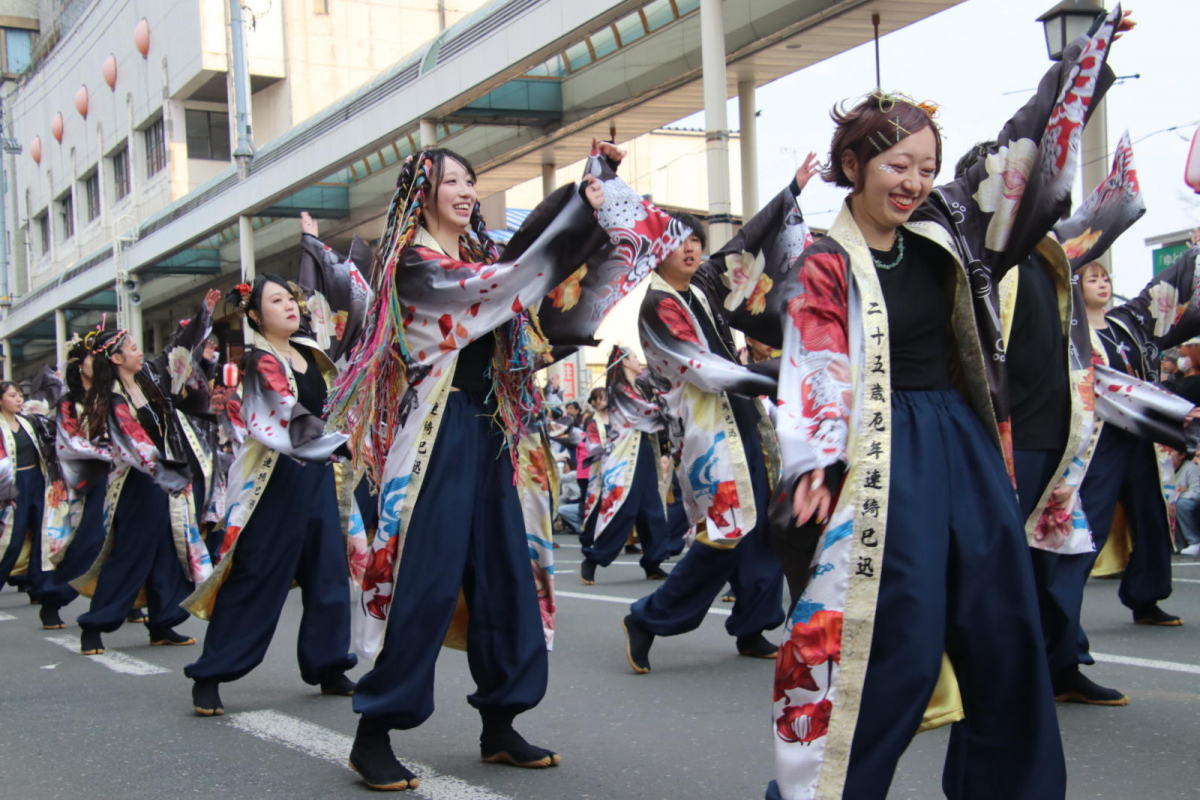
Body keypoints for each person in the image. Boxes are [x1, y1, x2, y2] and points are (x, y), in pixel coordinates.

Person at [768, 11, 1129, 798]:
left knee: (1005, 633)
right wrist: (817, 490)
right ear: (854, 165)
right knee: (893, 646)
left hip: (961, 446)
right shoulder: (823, 264)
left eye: (926, 167)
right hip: (878, 459)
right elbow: (815, 386)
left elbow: (1019, 149)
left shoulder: (948, 227)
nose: (914, 182)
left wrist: (1081, 66)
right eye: (898, 165)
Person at [324, 143, 684, 791]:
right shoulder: (413, 264)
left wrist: (593, 185)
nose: (466, 191)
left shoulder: (481, 258)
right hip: (438, 433)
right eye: (451, 181)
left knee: (506, 578)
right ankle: (372, 731)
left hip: (498, 431)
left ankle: (500, 723)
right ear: (420, 192)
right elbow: (505, 285)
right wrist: (579, 206)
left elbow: (523, 286)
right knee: (423, 581)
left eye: (471, 181)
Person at [623, 153, 817, 670]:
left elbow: (744, 245)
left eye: (694, 242)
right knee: (726, 531)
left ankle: (754, 624)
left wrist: (789, 195)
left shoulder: (703, 288)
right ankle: (648, 616)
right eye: (678, 241)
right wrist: (777, 373)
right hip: (707, 432)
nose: (690, 250)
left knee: (762, 529)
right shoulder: (657, 307)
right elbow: (704, 369)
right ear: (656, 251)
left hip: (746, 419)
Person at [182, 212, 371, 716]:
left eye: (291, 299)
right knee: (256, 578)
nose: (290, 306)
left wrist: (313, 244)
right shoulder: (258, 361)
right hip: (276, 481)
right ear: (255, 316)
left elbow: (343, 311)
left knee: (329, 576)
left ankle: (330, 663)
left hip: (323, 478)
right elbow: (285, 419)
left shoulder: (313, 351)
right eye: (277, 301)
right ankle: (211, 673)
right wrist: (336, 443)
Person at [70, 290, 221, 655]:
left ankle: (163, 623)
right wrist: (167, 473)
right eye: (133, 348)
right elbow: (133, 443)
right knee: (133, 553)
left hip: (165, 477)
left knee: (170, 550)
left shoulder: (151, 379)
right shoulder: (112, 399)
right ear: (117, 358)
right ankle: (95, 626)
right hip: (140, 482)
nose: (139, 351)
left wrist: (203, 314)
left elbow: (178, 353)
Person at [1077, 258, 1191, 626]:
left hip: (1140, 438)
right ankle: (1058, 604)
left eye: (1105, 277)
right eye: (1091, 278)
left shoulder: (1127, 324)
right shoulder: (1069, 330)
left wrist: (1193, 254)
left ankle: (1146, 598)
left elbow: (1161, 291)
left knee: (1152, 515)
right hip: (1099, 438)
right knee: (1089, 518)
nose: (1101, 283)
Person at [37, 338, 116, 630]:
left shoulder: (113, 394)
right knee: (90, 542)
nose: (98, 364)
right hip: (90, 477)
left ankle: (130, 600)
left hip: (122, 472)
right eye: (93, 359)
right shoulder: (69, 402)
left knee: (130, 538)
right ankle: (53, 596)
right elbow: (70, 443)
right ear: (79, 365)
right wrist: (111, 451)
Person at [579, 346, 670, 583]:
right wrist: (673, 408)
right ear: (624, 362)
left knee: (652, 509)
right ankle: (593, 557)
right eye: (634, 357)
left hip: (643, 451)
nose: (638, 360)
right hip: (624, 457)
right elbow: (647, 413)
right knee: (624, 509)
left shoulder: (638, 386)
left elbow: (662, 383)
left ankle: (653, 562)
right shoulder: (618, 389)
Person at [0, 383, 49, 605]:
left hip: (37, 481)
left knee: (41, 535)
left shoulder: (28, 422)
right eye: (12, 396)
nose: (19, 400)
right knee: (13, 538)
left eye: (20, 395)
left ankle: (39, 588)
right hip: (13, 484)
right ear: (1, 400)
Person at [1169, 448, 1200, 555]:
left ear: (1181, 455)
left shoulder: (1190, 468)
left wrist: (1181, 494)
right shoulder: (1164, 470)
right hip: (1172, 503)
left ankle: (1195, 541)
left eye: (1171, 451)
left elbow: (1196, 492)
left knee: (1181, 504)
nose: (1167, 455)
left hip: (1189, 503)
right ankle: (1178, 544)